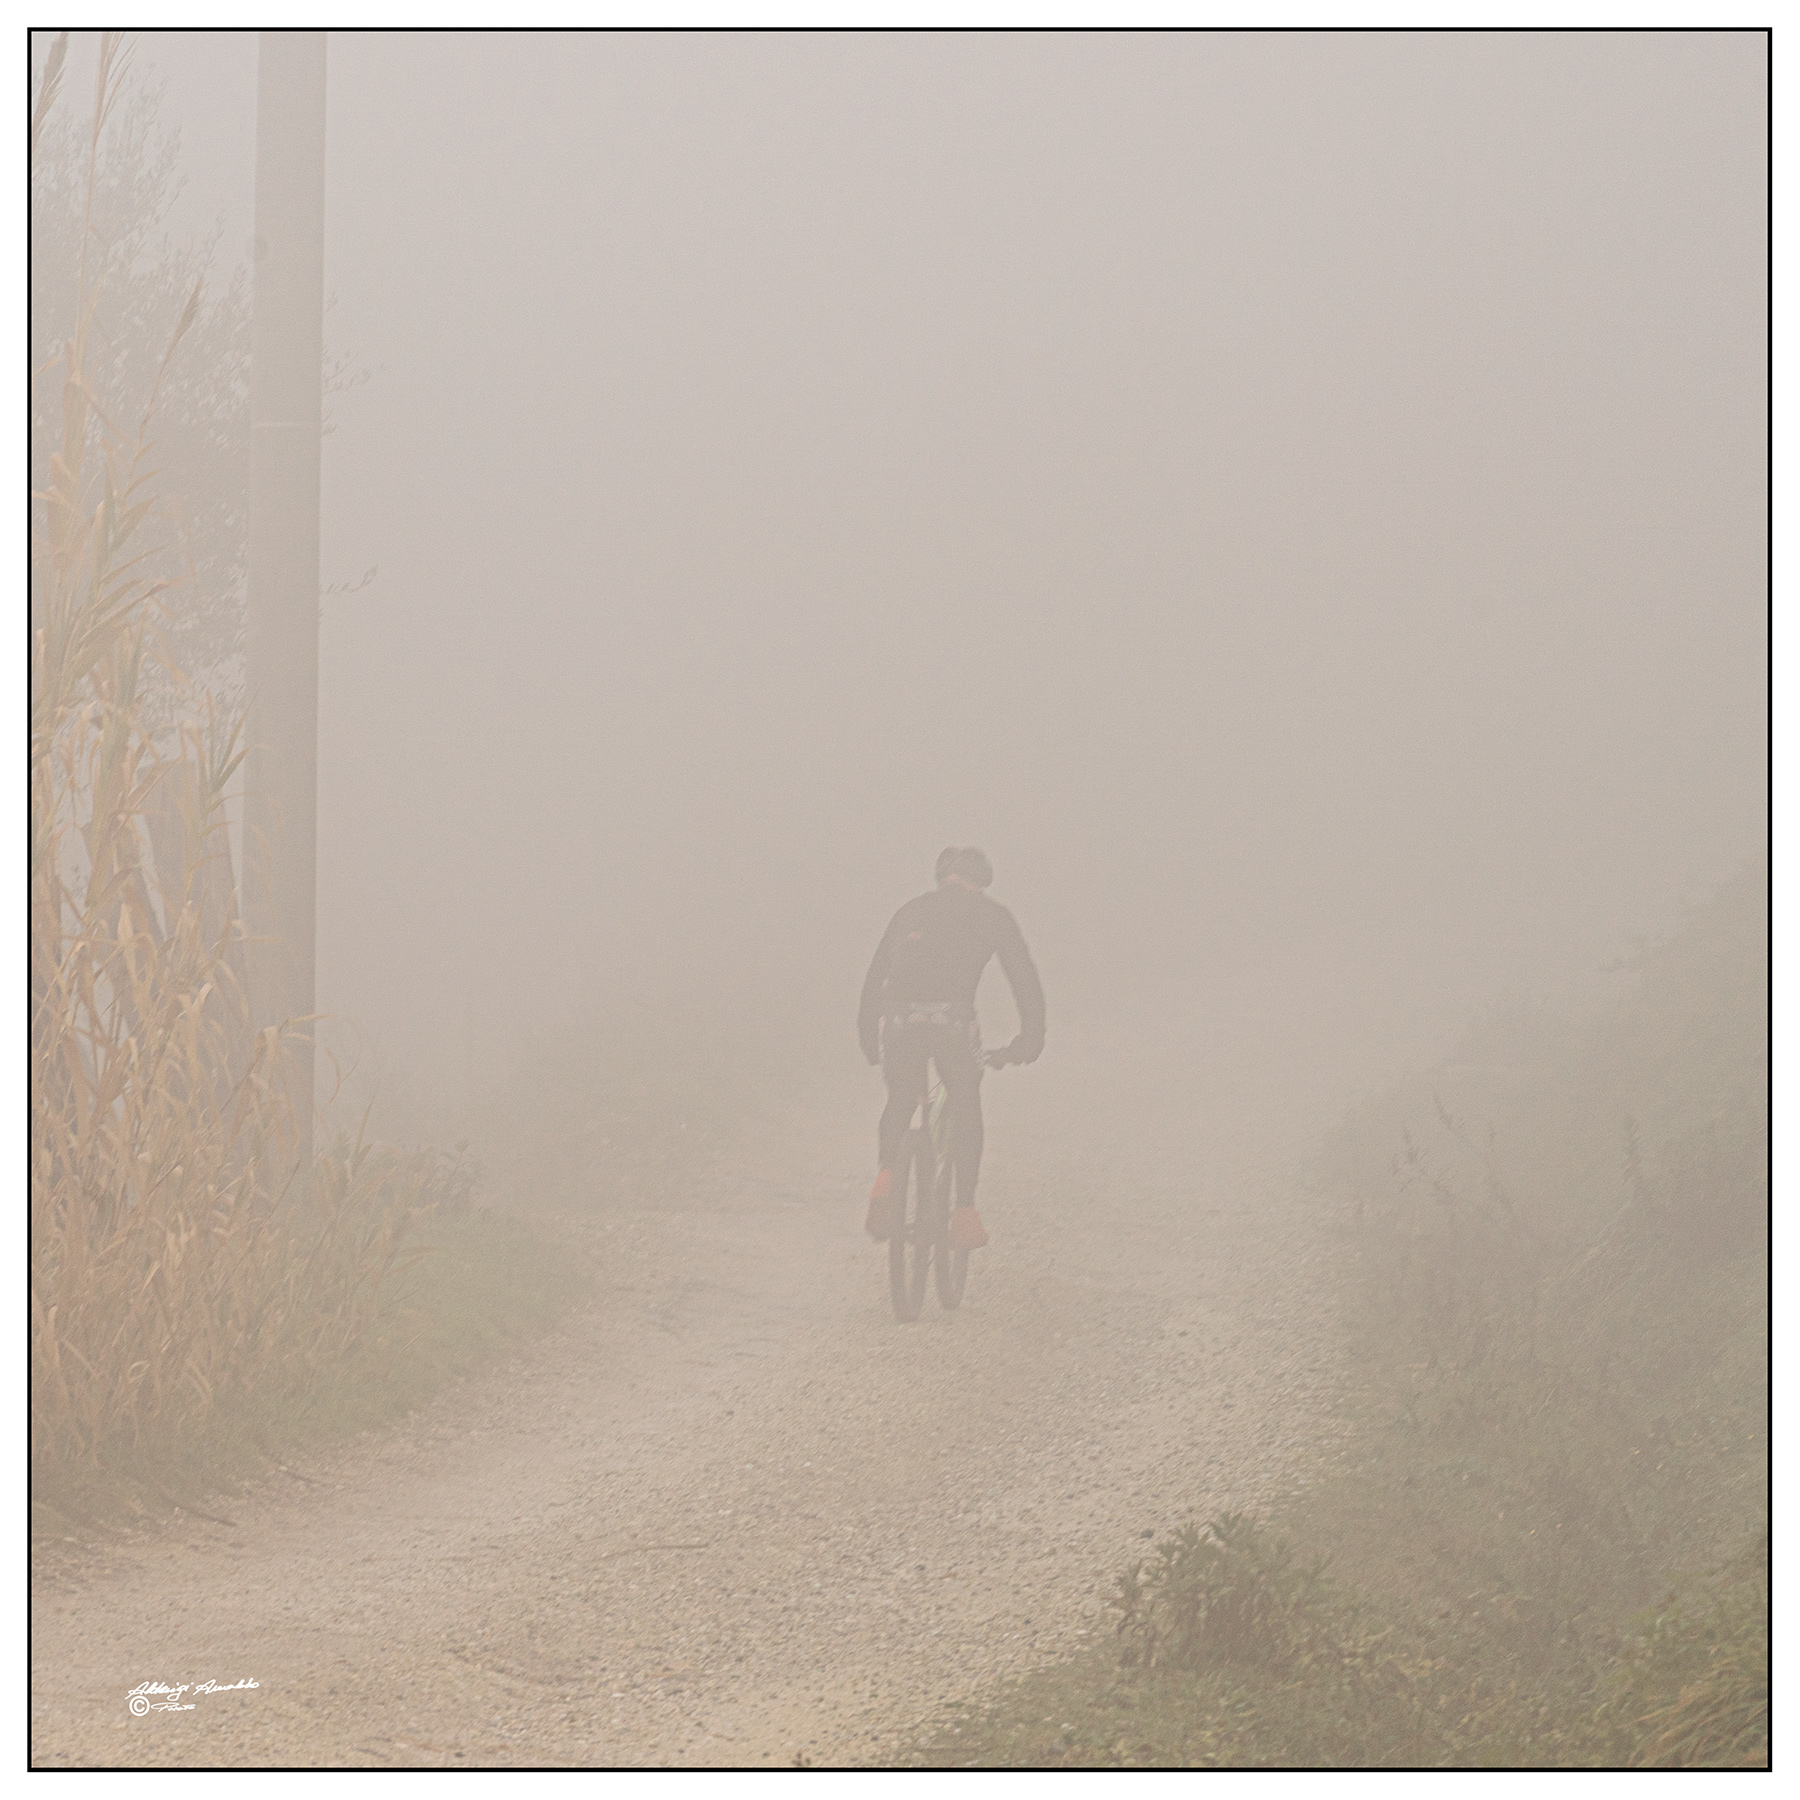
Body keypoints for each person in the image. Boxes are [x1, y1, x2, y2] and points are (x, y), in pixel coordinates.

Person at [858, 846, 1045, 1251]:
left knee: (902, 1098)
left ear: (941, 877)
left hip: (901, 1022)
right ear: (981, 881)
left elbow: (876, 976)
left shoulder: (910, 911)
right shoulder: (992, 915)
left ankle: (887, 1178)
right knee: (964, 1102)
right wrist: (1028, 1041)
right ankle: (963, 1213)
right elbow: (1023, 978)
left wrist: (869, 1039)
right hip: (953, 1025)